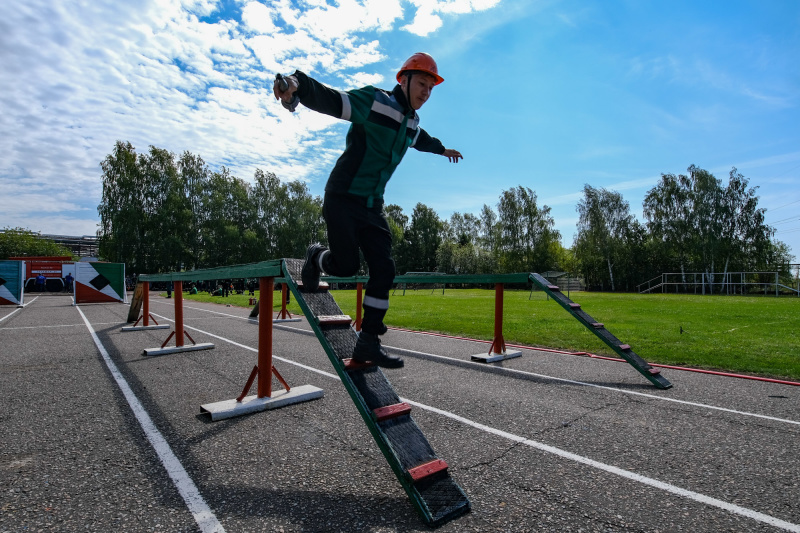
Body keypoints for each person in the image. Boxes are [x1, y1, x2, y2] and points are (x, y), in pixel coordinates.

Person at [274, 52, 462, 369]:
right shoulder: (376, 102)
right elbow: (334, 99)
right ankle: (316, 255)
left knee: (384, 268)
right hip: (343, 197)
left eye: (431, 88)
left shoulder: (412, 124)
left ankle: (368, 342)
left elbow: (422, 140)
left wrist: (443, 150)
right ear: (403, 80)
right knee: (345, 267)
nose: (425, 93)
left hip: (372, 205)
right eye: (421, 84)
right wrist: (297, 85)